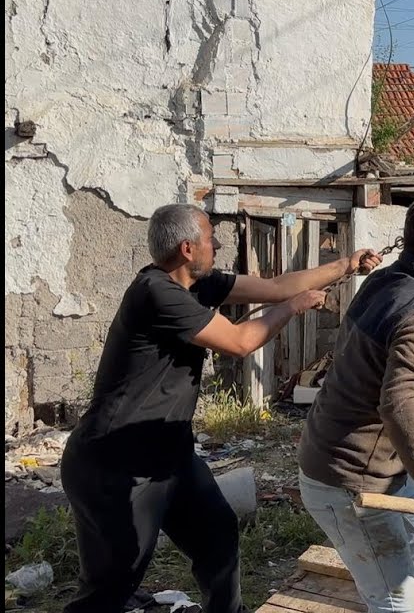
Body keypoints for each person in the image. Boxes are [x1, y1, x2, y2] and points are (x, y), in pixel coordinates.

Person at [59, 203, 384, 613]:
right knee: (113, 584)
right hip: (118, 463)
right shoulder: (156, 293)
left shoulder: (199, 283)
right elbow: (240, 341)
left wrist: (345, 265)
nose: (218, 245)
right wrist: (293, 307)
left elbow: (276, 285)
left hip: (170, 454)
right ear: (187, 249)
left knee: (217, 536)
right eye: (211, 239)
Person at [297, 198, 414, 613]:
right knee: (395, 598)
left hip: (372, 463)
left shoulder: (383, 282)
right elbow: (401, 405)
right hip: (352, 481)